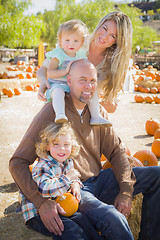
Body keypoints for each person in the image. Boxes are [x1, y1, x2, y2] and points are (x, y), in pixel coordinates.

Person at [10, 62, 160, 239]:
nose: (89, 86)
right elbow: (17, 162)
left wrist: (126, 190)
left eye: (92, 80)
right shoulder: (53, 111)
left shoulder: (98, 112)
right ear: (69, 81)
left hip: (99, 181)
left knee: (157, 175)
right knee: (113, 218)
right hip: (75, 188)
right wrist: (40, 202)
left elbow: (117, 151)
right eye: (82, 80)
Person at [37, 11, 132, 113]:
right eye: (104, 28)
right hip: (57, 108)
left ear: (117, 41)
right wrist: (43, 81)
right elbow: (43, 69)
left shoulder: (113, 64)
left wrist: (90, 102)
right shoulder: (76, 40)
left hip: (86, 116)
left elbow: (112, 106)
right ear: (100, 24)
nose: (104, 37)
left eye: (112, 36)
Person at [45, 19, 111, 126]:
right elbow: (50, 73)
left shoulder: (81, 55)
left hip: (73, 87)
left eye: (76, 41)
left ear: (81, 43)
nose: (71, 44)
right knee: (58, 92)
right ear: (60, 41)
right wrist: (65, 71)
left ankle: (96, 116)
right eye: (67, 40)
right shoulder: (58, 54)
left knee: (91, 91)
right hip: (58, 85)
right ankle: (60, 114)